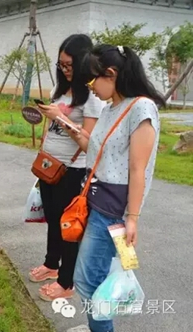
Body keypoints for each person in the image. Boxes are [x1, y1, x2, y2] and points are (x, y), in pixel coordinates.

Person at [63, 44, 166, 332]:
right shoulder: (111, 109)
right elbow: (99, 153)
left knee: (87, 279)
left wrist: (132, 218)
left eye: (92, 80)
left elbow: (138, 168)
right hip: (96, 202)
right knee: (100, 275)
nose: (90, 88)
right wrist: (75, 133)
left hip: (114, 211)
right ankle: (97, 327)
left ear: (111, 74)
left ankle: (101, 329)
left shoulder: (141, 108)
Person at [29, 34, 105, 302]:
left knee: (68, 226)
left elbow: (89, 142)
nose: (64, 70)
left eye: (69, 65)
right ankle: (51, 265)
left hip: (73, 170)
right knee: (51, 218)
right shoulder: (58, 90)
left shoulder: (93, 97)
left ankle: (67, 282)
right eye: (61, 64)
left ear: (84, 64)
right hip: (49, 165)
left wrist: (60, 118)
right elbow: (53, 127)